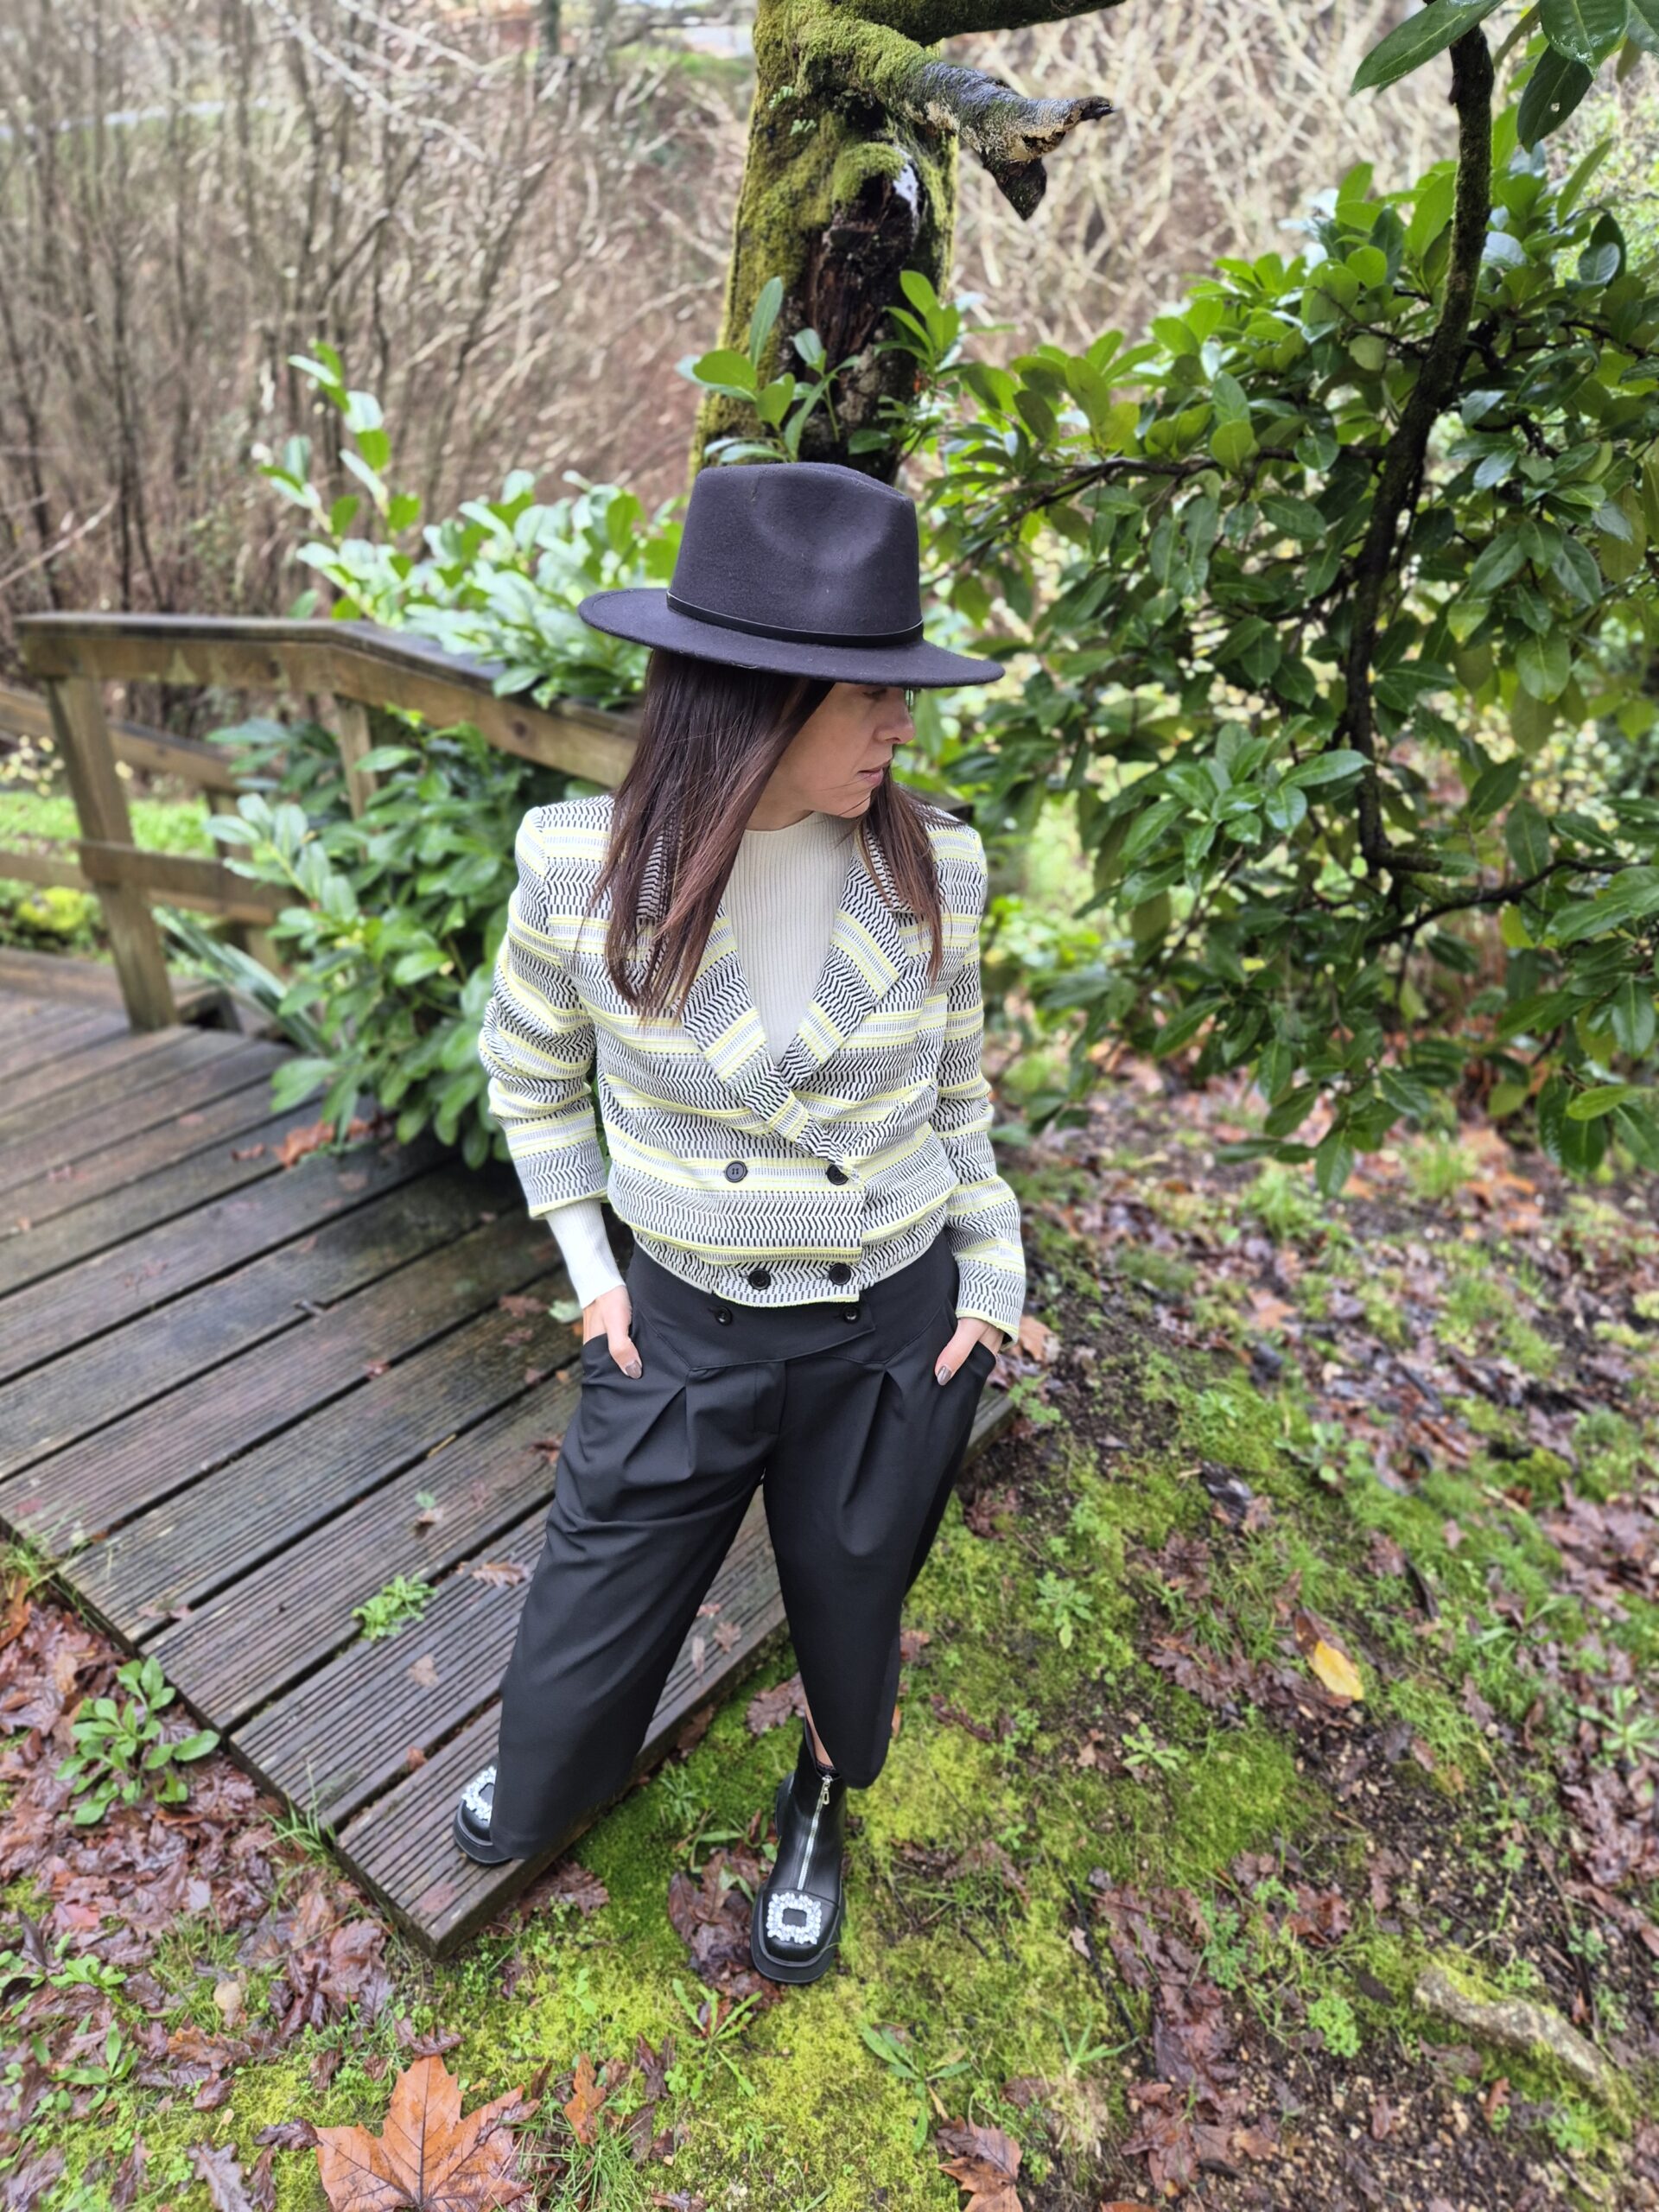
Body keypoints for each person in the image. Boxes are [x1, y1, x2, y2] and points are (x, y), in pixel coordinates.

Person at [451, 459, 1026, 1984]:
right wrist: (594, 1274)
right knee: (588, 1617)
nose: (902, 725)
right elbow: (529, 1082)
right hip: (682, 1326)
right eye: (871, 694)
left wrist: (993, 1274)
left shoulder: (939, 870)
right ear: (758, 698)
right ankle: (557, 1766)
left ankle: (818, 1806)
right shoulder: (582, 872)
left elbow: (958, 1101)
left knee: (852, 1608)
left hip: (889, 1330)